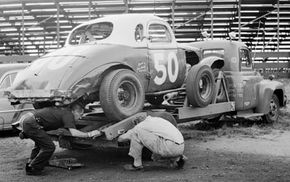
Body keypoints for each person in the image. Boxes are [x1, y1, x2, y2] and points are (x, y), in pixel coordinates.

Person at [17, 104, 101, 176]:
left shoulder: (64, 111)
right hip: (32, 123)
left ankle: (30, 164)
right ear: (74, 112)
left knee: (40, 144)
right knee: (49, 147)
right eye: (80, 114)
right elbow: (74, 133)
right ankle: (34, 168)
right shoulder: (69, 115)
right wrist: (89, 134)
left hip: (28, 120)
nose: (81, 117)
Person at [118, 112, 186, 171]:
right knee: (164, 136)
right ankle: (179, 159)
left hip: (169, 148)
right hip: (181, 147)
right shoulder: (156, 120)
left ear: (137, 122)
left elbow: (121, 139)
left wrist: (120, 135)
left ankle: (136, 165)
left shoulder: (140, 126)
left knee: (136, 133)